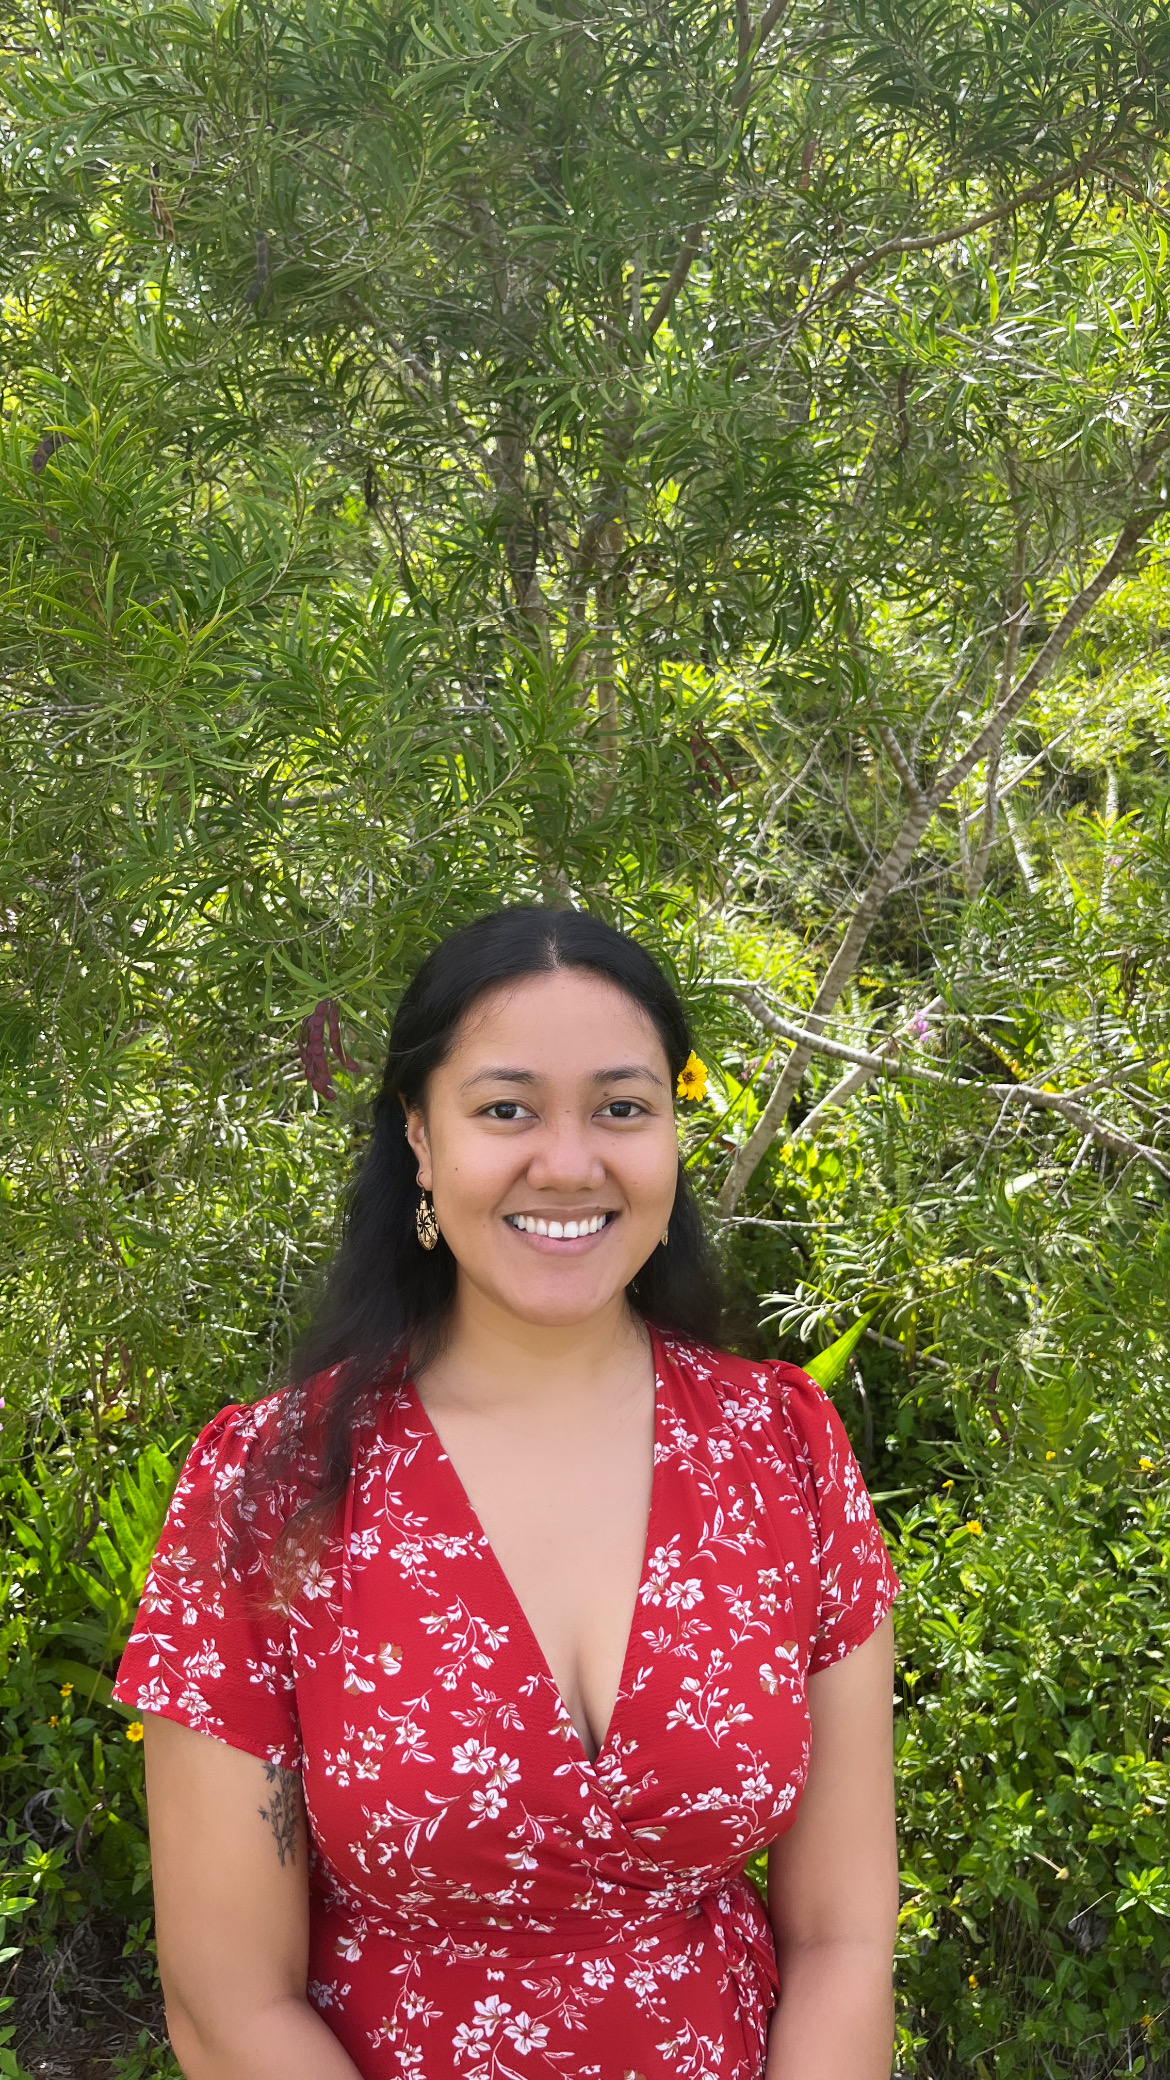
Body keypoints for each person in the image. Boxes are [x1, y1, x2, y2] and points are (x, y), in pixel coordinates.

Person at [114, 905, 899, 2080]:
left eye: (622, 1108)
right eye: (507, 1109)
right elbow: (230, 2001)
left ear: (672, 1137)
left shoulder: (779, 1448)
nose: (570, 1161)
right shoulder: (270, 1487)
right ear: (421, 1141)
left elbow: (842, 1934)